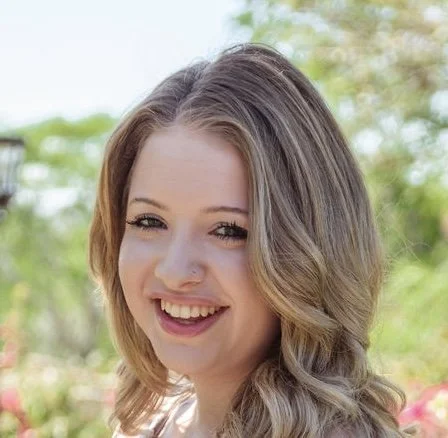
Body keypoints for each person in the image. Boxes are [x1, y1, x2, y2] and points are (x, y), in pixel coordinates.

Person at [88, 43, 418, 437]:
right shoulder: (151, 426)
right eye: (149, 221)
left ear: (304, 252)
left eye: (228, 230)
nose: (174, 271)